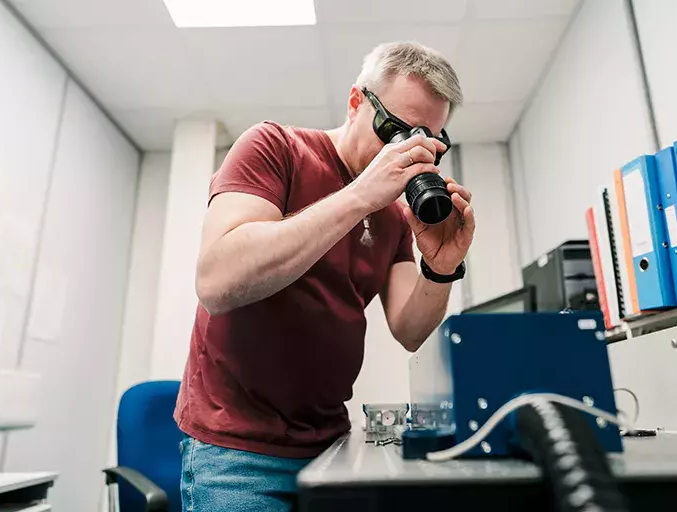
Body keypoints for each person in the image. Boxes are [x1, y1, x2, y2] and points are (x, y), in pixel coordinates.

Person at [175, 41, 475, 511]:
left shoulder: (395, 215)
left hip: (331, 444)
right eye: (395, 131)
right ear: (357, 102)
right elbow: (217, 281)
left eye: (427, 142)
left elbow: (410, 329)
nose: (410, 154)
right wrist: (359, 196)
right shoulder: (275, 147)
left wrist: (440, 266)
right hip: (239, 452)